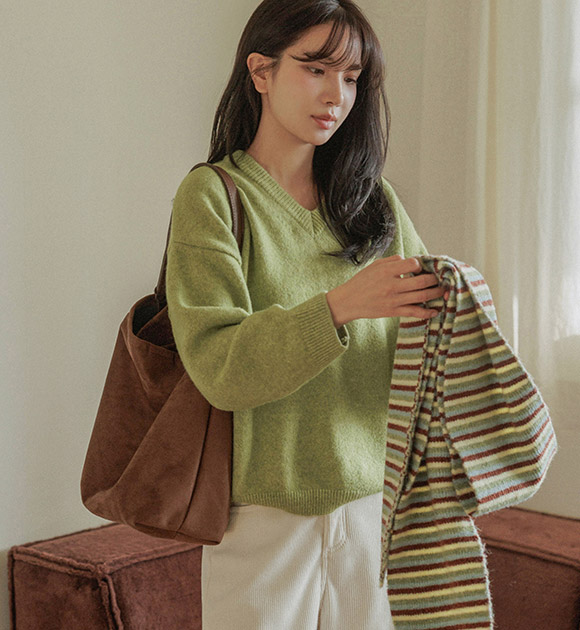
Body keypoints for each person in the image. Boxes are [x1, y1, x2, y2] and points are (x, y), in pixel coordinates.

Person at [165, 1, 447, 628]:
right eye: (316, 69)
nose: (336, 96)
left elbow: (427, 344)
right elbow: (220, 368)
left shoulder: (374, 202)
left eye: (351, 77)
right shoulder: (212, 196)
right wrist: (340, 307)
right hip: (262, 519)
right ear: (260, 71)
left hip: (375, 513)